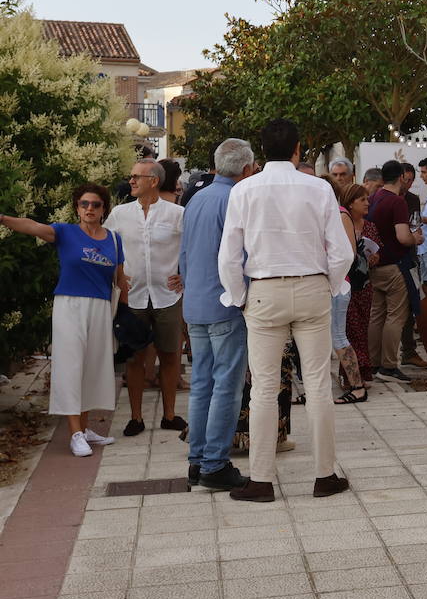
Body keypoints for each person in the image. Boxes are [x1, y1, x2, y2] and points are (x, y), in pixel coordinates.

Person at [218, 118, 353, 503]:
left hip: (263, 291)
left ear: (261, 151)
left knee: (263, 388)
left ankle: (261, 480)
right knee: (318, 385)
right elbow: (340, 251)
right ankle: (325, 475)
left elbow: (228, 255)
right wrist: (329, 284)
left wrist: (239, 296)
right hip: (312, 286)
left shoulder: (243, 190)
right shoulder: (318, 188)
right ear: (298, 150)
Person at [1, 186, 127, 456]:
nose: (89, 209)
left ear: (104, 209)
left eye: (95, 204)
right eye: (84, 204)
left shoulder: (114, 240)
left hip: (102, 307)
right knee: (71, 366)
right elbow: (32, 226)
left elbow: (121, 278)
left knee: (93, 367)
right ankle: (75, 433)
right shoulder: (65, 232)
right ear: (77, 207)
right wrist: (3, 219)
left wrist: (126, 314)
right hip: (69, 305)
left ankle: (85, 427)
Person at [179, 138, 257, 490]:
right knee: (226, 386)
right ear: (246, 169)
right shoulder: (234, 198)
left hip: (195, 301)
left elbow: (184, 253)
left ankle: (198, 460)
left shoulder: (197, 197)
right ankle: (214, 464)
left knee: (201, 385)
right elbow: (239, 256)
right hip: (225, 302)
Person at [106, 158, 187, 437]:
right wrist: (115, 276)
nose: (131, 181)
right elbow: (106, 245)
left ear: (153, 180)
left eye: (136, 176)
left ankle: (169, 415)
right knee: (134, 359)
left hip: (168, 295)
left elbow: (192, 247)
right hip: (133, 297)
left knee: (169, 355)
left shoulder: (176, 213)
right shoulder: (119, 213)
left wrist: (185, 275)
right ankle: (136, 418)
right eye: (131, 176)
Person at [367, 160, 422, 383]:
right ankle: (389, 366)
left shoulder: (373, 199)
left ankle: (373, 363)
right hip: (395, 266)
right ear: (401, 177)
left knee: (376, 315)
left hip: (375, 264)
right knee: (396, 317)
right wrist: (415, 238)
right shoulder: (397, 202)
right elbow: (402, 236)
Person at [329, 181, 368, 404]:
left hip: (337, 285)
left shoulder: (340, 213)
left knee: (338, 337)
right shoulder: (330, 213)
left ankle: (358, 387)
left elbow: (349, 253)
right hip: (332, 285)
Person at [344, 185, 381, 384]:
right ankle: (351, 375)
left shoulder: (370, 227)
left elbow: (376, 254)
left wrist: (374, 257)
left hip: (365, 284)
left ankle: (363, 372)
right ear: (351, 203)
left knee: (362, 328)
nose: (367, 203)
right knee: (350, 330)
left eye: (368, 199)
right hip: (346, 283)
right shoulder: (341, 223)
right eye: (362, 200)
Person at [398, 162, 427, 369]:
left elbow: (415, 225)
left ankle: (408, 351)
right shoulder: (385, 198)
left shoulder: (412, 200)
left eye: (411, 180)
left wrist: (415, 235)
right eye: (405, 180)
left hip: (410, 257)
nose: (408, 184)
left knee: (411, 305)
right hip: (391, 259)